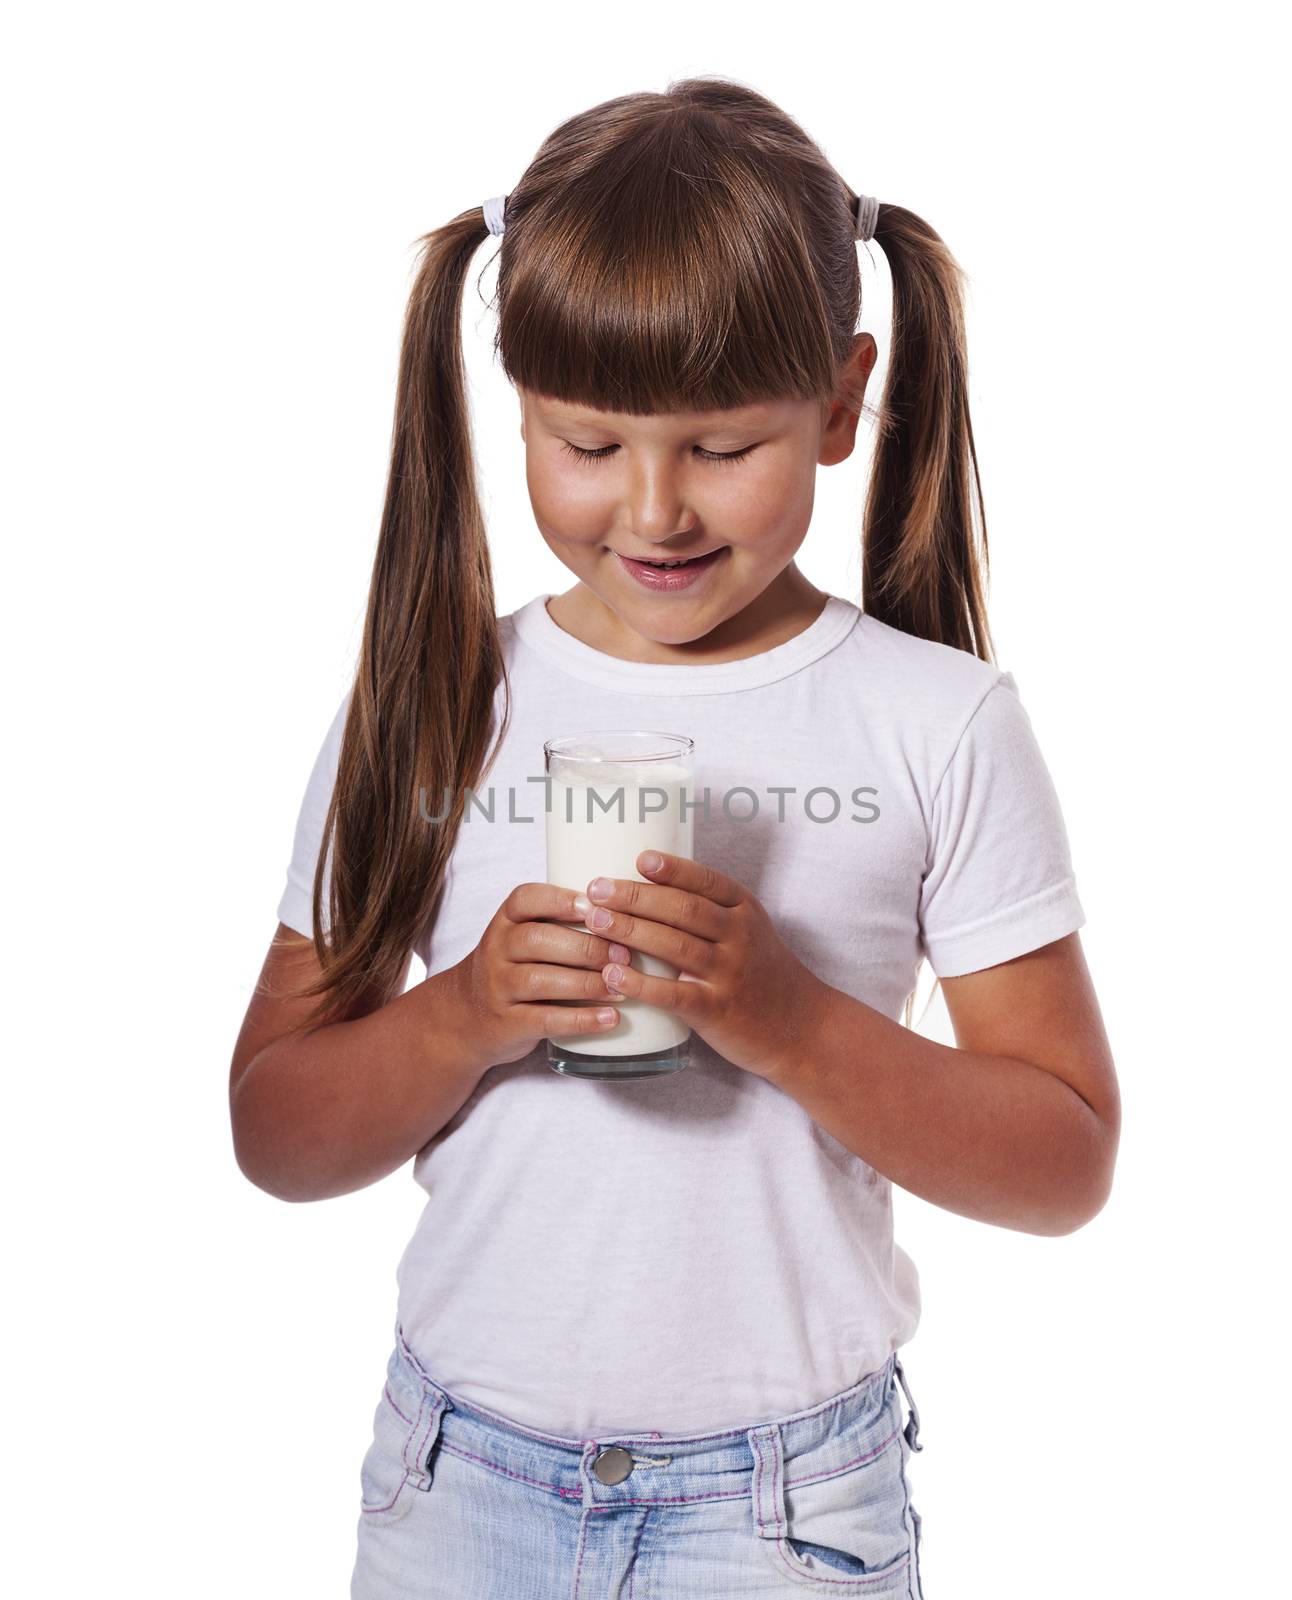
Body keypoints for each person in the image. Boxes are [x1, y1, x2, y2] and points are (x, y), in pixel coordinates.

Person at [229, 75, 1120, 1600]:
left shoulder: (938, 723)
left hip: (784, 1512)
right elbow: (275, 1129)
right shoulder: (438, 702)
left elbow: (1065, 1161)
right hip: (463, 1486)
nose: (653, 508)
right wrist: (464, 1017)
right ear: (518, 410)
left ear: (842, 399)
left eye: (720, 446)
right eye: (587, 444)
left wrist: (788, 1022)